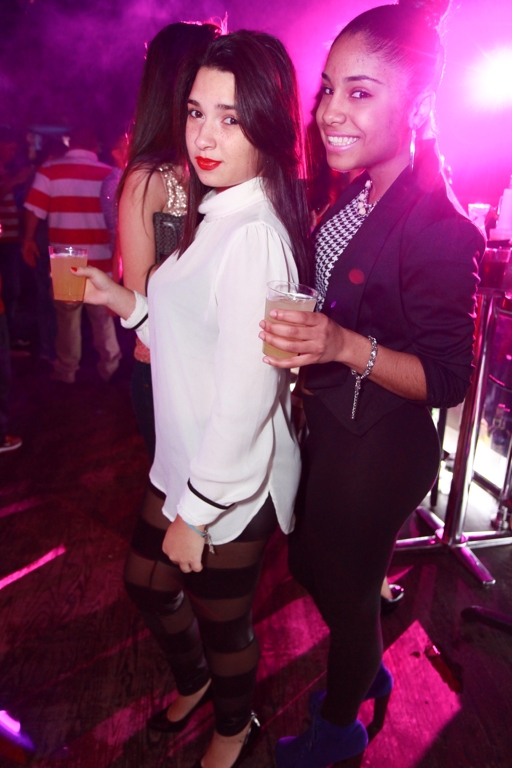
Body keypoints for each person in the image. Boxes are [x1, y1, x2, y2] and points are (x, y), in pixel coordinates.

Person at [73, 30, 311, 768]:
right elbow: (193, 335)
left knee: (224, 623)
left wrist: (198, 511)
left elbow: (248, 394)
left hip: (226, 481)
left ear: (268, 124)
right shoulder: (220, 210)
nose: (204, 137)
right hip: (186, 458)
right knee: (147, 581)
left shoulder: (253, 235)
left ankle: (235, 730)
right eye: (196, 112)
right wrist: (126, 302)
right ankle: (197, 683)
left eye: (230, 119)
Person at [258, 2, 484, 766]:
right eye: (328, 89)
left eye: (359, 92)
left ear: (417, 108)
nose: (330, 111)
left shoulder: (439, 227)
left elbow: (448, 379)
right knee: (308, 564)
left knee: (348, 590)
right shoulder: (358, 194)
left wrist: (341, 343)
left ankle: (340, 728)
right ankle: (367, 668)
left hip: (383, 445)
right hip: (334, 422)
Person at [118, 21, 220, 461]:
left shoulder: (215, 163)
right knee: (176, 494)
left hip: (218, 364)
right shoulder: (149, 178)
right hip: (167, 369)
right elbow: (136, 294)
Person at [23, 127, 121, 384]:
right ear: (95, 146)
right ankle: (110, 367)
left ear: (70, 144)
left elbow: (34, 210)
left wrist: (28, 240)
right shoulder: (109, 173)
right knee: (103, 319)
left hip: (66, 260)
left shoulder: (50, 171)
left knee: (67, 320)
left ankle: (67, 371)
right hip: (101, 259)